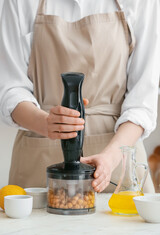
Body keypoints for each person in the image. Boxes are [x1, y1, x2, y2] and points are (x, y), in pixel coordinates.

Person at [0, 0, 159, 193]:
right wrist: (45, 123)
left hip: (118, 159)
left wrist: (111, 157)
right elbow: (10, 88)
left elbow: (142, 101)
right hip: (39, 158)